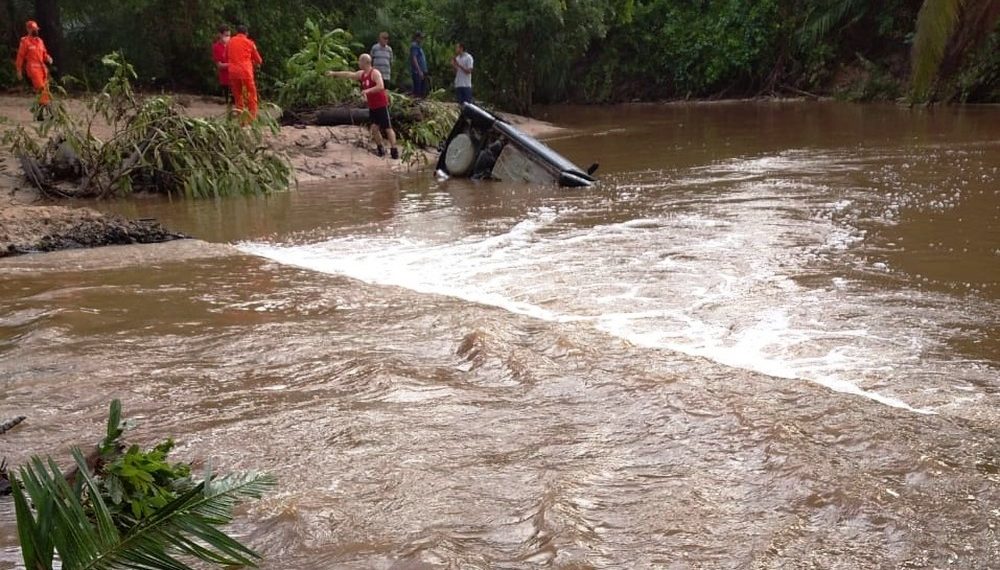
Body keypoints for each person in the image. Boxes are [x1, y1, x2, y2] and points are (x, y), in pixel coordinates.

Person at [327, 54, 399, 159]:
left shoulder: (375, 73)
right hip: (373, 106)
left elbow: (380, 86)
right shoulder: (362, 74)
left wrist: (367, 91)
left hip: (381, 105)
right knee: (374, 129)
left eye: (360, 61)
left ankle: (394, 150)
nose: (358, 63)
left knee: (388, 128)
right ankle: (381, 148)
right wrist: (334, 73)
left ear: (366, 62)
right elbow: (349, 74)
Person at [15, 20, 53, 121]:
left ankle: (40, 115)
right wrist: (19, 70)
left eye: (36, 29)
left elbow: (44, 54)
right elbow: (20, 56)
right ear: (28, 29)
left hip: (42, 69)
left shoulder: (40, 41)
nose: (35, 31)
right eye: (33, 29)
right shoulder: (25, 42)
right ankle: (51, 112)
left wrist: (48, 58)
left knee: (45, 90)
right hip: (33, 68)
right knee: (41, 89)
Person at [226, 24, 263, 124]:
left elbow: (226, 55)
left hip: (233, 72)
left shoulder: (230, 42)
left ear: (237, 32)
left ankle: (241, 122)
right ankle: (252, 121)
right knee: (252, 96)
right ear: (246, 33)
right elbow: (259, 60)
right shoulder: (250, 43)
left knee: (238, 97)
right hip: (246, 72)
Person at [212, 25, 231, 102]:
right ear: (220, 35)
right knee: (228, 102)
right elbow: (219, 65)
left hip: (235, 77)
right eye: (226, 35)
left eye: (229, 35)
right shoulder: (216, 47)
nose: (228, 37)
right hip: (225, 79)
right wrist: (233, 64)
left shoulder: (232, 45)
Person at [409, 32, 428, 98]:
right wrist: (419, 70)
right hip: (418, 72)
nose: (422, 39)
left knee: (423, 90)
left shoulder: (419, 47)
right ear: (417, 38)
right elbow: (414, 58)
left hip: (423, 70)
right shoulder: (414, 46)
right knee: (418, 90)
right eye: (421, 38)